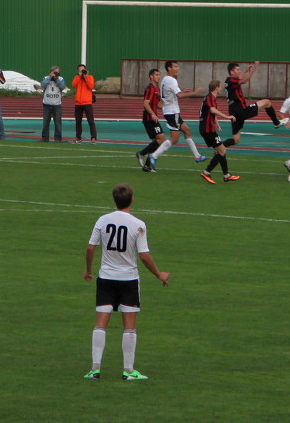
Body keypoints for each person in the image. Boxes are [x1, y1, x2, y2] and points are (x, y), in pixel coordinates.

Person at [83, 183, 170, 381]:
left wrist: (88, 270)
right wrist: (159, 274)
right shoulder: (138, 224)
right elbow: (144, 256)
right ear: (131, 199)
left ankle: (95, 369)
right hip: (128, 279)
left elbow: (90, 248)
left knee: (100, 322)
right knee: (129, 325)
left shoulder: (102, 220)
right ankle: (128, 371)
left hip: (105, 278)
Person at [147, 60, 206, 165]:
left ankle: (197, 156)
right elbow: (179, 96)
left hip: (170, 111)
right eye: (175, 67)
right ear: (169, 68)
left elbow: (171, 94)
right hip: (172, 112)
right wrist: (194, 93)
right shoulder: (171, 80)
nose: (177, 69)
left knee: (187, 130)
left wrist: (182, 92)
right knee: (174, 139)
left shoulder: (165, 79)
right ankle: (153, 155)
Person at [224, 61, 284, 145]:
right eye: (237, 70)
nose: (239, 71)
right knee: (267, 102)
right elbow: (243, 81)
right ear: (232, 72)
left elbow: (239, 79)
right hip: (240, 111)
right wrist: (253, 70)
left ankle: (219, 147)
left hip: (234, 113)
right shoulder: (232, 80)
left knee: (236, 140)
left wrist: (245, 71)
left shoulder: (228, 80)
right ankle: (276, 123)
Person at [197, 80, 239, 183]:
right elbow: (212, 110)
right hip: (207, 129)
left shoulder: (209, 97)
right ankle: (207, 172)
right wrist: (227, 117)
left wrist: (216, 122)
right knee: (222, 151)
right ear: (216, 88)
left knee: (222, 150)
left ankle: (226, 175)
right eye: (220, 87)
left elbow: (208, 112)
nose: (221, 89)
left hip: (207, 128)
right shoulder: (211, 97)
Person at [134, 69, 166, 172]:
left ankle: (147, 166)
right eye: (156, 75)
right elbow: (146, 103)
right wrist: (152, 113)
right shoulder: (150, 89)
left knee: (157, 142)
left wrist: (169, 108)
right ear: (151, 76)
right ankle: (141, 153)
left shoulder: (157, 89)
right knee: (161, 139)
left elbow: (156, 104)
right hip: (149, 118)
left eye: (159, 75)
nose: (158, 76)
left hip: (153, 117)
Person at [72, 64, 98, 143]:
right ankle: (78, 137)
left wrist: (86, 76)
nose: (82, 72)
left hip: (87, 102)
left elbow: (91, 86)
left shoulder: (90, 77)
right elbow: (73, 85)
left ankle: (93, 137)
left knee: (91, 121)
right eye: (80, 70)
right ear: (78, 71)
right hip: (78, 103)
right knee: (78, 121)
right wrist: (80, 76)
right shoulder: (77, 78)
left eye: (83, 70)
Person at [41, 65, 66, 142]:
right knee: (45, 122)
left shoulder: (61, 79)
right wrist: (50, 77)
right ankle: (45, 138)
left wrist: (57, 79)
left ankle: (58, 139)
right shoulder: (46, 78)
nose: (56, 74)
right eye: (54, 72)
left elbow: (62, 87)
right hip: (47, 104)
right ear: (50, 72)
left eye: (57, 72)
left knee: (58, 122)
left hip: (57, 104)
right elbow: (42, 85)